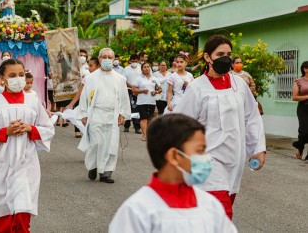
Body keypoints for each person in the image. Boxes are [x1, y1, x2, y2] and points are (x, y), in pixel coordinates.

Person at [174, 34, 266, 219]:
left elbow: (252, 117)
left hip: (234, 158)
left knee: (217, 210)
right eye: (220, 54)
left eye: (229, 54)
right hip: (208, 160)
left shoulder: (239, 85)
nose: (226, 58)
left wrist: (257, 148)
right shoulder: (197, 88)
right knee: (220, 213)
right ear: (208, 57)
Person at [109, 114, 237, 233]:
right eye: (200, 151)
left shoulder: (210, 205)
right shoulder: (137, 211)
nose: (207, 157)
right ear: (174, 156)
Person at [0, 59, 54, 232]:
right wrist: (5, 132)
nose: (18, 79)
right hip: (0, 164)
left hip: (26, 164)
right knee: (0, 213)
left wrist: (30, 128)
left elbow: (48, 128)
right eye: (12, 75)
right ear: (3, 78)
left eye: (21, 75)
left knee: (22, 214)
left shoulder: (32, 101)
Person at [78, 48, 131, 183]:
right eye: (104, 57)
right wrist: (83, 114)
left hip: (112, 115)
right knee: (96, 142)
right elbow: (84, 97)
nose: (107, 59)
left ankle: (106, 173)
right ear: (100, 59)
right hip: (95, 113)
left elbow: (124, 98)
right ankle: (93, 167)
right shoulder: (91, 78)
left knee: (110, 144)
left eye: (110, 57)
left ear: (113, 60)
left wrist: (123, 114)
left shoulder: (120, 79)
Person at [66, 57, 100, 138]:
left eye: (91, 66)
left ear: (98, 66)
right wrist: (71, 104)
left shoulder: (104, 77)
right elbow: (79, 92)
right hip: (89, 105)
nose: (89, 68)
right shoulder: (87, 78)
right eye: (88, 65)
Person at [132, 63, 162, 141]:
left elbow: (160, 89)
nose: (146, 68)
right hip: (142, 101)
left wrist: (156, 92)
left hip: (152, 101)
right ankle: (144, 135)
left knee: (150, 119)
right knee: (143, 118)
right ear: (142, 69)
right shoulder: (139, 78)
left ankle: (148, 134)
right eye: (144, 67)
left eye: (148, 67)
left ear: (150, 68)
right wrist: (142, 91)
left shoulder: (154, 78)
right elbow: (133, 89)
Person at [292, 61, 308, 160]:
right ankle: (300, 147)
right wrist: (306, 96)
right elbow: (294, 97)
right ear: (305, 69)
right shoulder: (298, 81)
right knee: (304, 130)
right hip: (303, 107)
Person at [124, 54, 142, 134]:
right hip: (129, 90)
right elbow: (124, 81)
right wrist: (133, 87)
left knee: (136, 109)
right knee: (129, 108)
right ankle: (127, 124)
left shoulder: (141, 68)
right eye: (132, 61)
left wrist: (137, 89)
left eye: (136, 61)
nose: (134, 62)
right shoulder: (126, 69)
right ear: (130, 61)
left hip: (139, 91)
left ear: (138, 61)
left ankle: (136, 126)